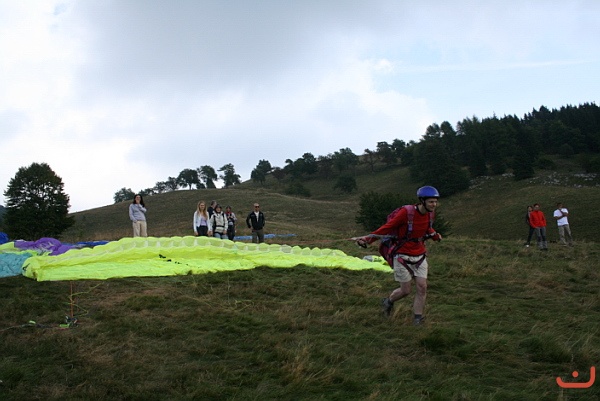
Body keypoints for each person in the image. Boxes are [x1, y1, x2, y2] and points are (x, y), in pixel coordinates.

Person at [356, 186, 442, 326]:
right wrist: (368, 239)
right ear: (422, 201)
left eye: (435, 202)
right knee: (405, 290)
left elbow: (427, 227)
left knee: (422, 287)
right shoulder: (406, 213)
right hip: (402, 255)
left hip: (419, 255)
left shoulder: (430, 214)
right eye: (431, 202)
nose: (434, 205)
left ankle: (418, 319)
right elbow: (388, 227)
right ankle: (388, 301)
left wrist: (434, 235)